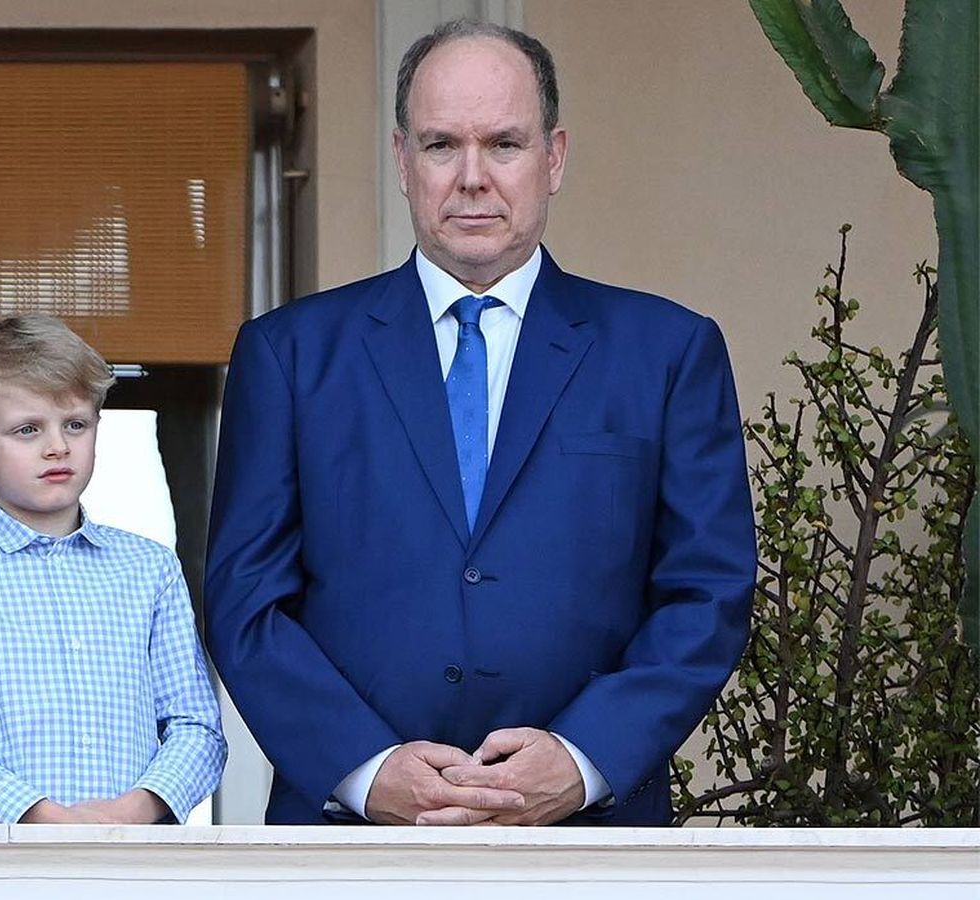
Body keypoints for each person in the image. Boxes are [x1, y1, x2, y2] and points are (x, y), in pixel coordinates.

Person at [204, 19, 755, 826]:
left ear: (554, 157)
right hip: (346, 846)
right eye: (439, 145)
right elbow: (246, 601)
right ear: (401, 160)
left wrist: (580, 758)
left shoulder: (668, 352)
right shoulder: (288, 356)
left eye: (503, 143)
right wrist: (365, 768)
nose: (472, 178)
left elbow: (707, 592)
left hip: (590, 843)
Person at [0, 314, 226, 824]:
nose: (58, 445)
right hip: (1, 866)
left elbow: (196, 726)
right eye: (28, 429)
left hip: (133, 859)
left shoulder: (149, 568)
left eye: (76, 423)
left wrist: (135, 812)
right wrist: (40, 818)